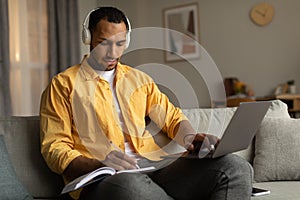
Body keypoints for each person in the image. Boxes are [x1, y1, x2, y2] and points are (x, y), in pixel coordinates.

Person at [40, 6, 253, 200]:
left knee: (235, 168)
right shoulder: (63, 85)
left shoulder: (139, 80)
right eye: (103, 43)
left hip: (153, 169)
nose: (113, 53)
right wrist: (98, 164)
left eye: (120, 44)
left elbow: (171, 117)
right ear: (88, 38)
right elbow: (54, 146)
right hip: (103, 179)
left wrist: (190, 137)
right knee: (131, 187)